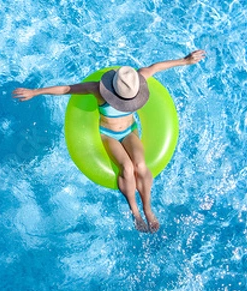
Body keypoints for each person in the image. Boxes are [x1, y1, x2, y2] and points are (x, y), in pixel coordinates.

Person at [12, 50, 205, 233]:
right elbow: (67, 89)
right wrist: (35, 92)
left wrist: (185, 60)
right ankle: (135, 212)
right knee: (127, 168)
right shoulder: (97, 89)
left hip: (130, 131)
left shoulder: (137, 80)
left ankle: (147, 207)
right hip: (108, 134)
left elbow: (155, 67)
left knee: (140, 164)